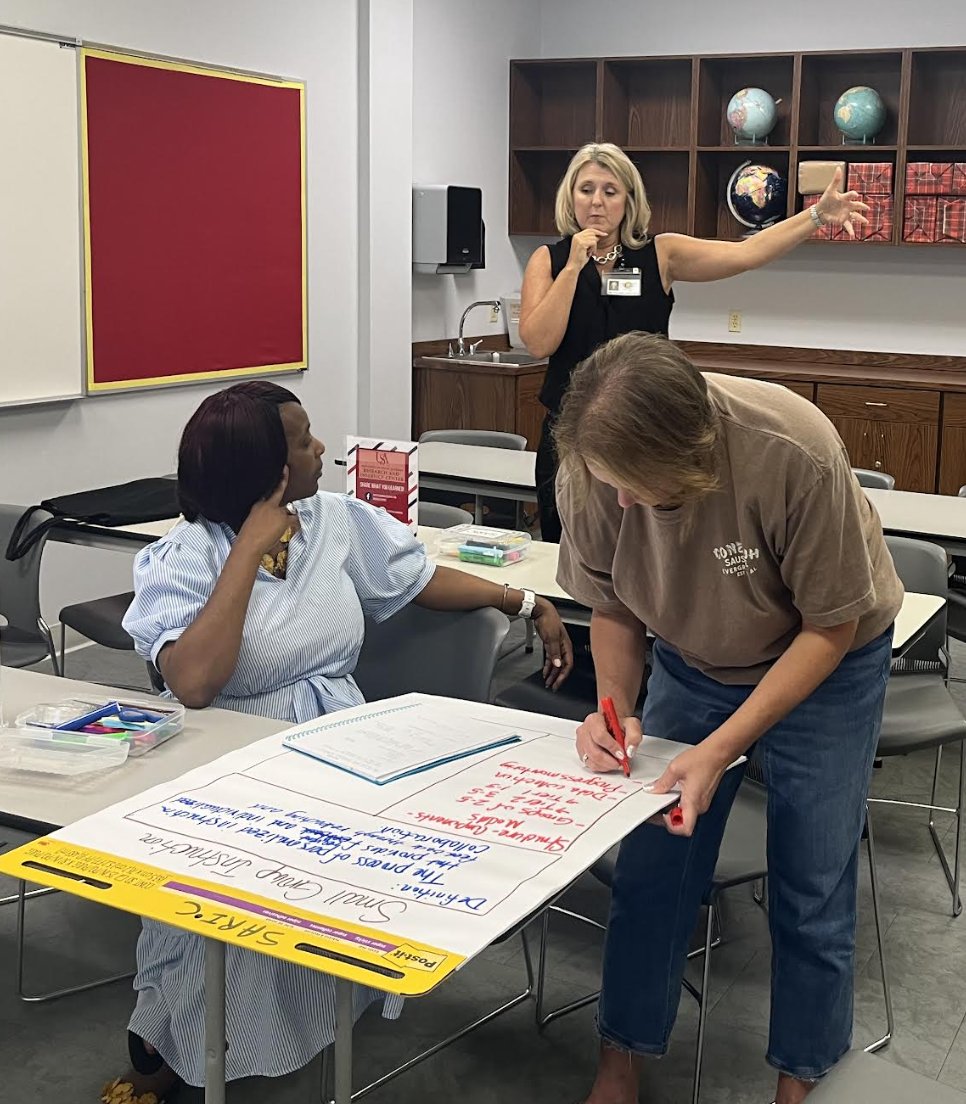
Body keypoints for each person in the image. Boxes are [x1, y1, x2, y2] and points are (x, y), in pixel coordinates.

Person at [106, 380, 573, 1103]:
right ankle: (179, 1043)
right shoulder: (186, 554)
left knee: (308, 903)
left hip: (329, 739)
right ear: (265, 467)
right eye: (302, 439)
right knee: (211, 918)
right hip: (223, 748)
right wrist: (247, 551)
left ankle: (289, 1031)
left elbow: (419, 579)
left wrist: (525, 600)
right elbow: (195, 681)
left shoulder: (332, 520)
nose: (321, 448)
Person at [552, 333, 903, 1104]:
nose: (617, 501)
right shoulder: (590, 467)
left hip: (828, 661)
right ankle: (620, 1063)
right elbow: (610, 601)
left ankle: (802, 1078)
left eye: (636, 487)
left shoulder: (789, 449)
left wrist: (720, 748)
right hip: (692, 658)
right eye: (607, 481)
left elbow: (830, 629)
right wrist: (616, 711)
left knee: (811, 881)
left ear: (693, 460)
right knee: (653, 866)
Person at [519, 142, 868, 543]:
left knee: (650, 550)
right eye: (586, 189)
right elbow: (538, 343)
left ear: (628, 199)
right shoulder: (549, 260)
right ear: (571, 196)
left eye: (610, 191)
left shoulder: (661, 254)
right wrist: (573, 268)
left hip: (647, 431)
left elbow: (747, 253)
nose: (597, 201)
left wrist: (817, 216)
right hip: (572, 438)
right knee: (568, 548)